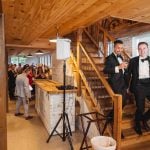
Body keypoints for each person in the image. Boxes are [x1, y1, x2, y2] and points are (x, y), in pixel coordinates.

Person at [127, 42, 150, 135]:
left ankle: (144, 119)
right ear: (138, 50)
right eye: (140, 49)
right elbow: (128, 74)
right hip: (138, 85)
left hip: (149, 84)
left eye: (144, 48)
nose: (142, 50)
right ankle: (137, 124)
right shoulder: (133, 61)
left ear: (147, 49)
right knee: (141, 108)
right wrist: (126, 87)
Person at [103, 40, 128, 107]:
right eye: (118, 48)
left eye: (121, 48)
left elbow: (122, 69)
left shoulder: (121, 57)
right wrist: (119, 67)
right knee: (118, 103)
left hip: (123, 82)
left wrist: (124, 68)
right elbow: (105, 70)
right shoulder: (109, 58)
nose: (120, 50)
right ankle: (112, 117)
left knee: (124, 102)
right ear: (114, 48)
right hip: (115, 83)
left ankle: (111, 117)